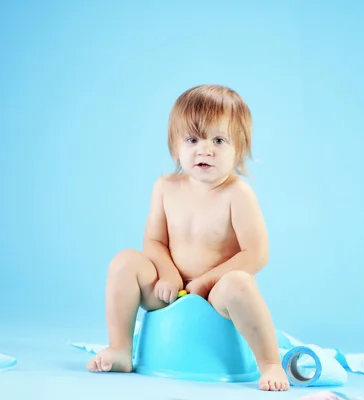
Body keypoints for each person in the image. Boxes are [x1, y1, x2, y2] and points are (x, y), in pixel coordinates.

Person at [86, 84, 290, 391]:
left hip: (216, 295)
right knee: (125, 261)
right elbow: (154, 241)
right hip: (168, 291)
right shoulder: (165, 186)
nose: (204, 149)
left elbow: (256, 253)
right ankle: (120, 349)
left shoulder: (237, 194)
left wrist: (207, 282)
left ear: (240, 147)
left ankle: (269, 364)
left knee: (240, 283)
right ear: (174, 146)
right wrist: (167, 274)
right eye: (192, 139)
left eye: (219, 140)